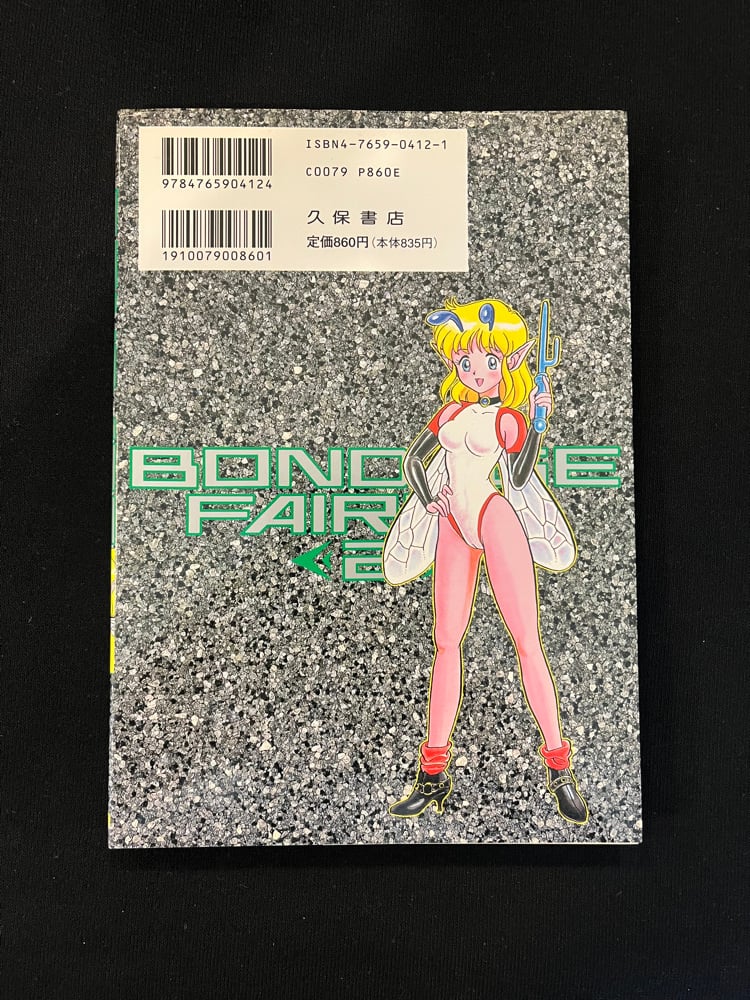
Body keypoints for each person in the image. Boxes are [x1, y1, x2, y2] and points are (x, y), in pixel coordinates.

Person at [383, 296, 588, 825]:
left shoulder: (507, 418)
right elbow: (415, 459)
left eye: (490, 360)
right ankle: (432, 776)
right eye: (465, 360)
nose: (476, 371)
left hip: (495, 519)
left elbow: (517, 477)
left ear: (509, 362)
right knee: (446, 642)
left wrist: (537, 422)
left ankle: (560, 769)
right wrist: (428, 496)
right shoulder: (452, 413)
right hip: (453, 523)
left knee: (526, 642)